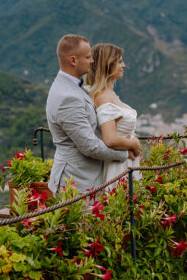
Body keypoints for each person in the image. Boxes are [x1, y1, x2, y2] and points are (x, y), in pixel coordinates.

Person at [46, 35, 127, 194]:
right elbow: (89, 146)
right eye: (88, 57)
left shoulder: (72, 87)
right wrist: (125, 152)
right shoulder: (67, 97)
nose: (92, 61)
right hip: (76, 183)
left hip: (83, 179)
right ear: (73, 60)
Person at [85, 43, 142, 185]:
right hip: (118, 167)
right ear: (108, 64)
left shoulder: (110, 94)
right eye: (120, 62)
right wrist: (133, 144)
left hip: (127, 162)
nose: (124, 65)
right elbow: (109, 139)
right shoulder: (103, 96)